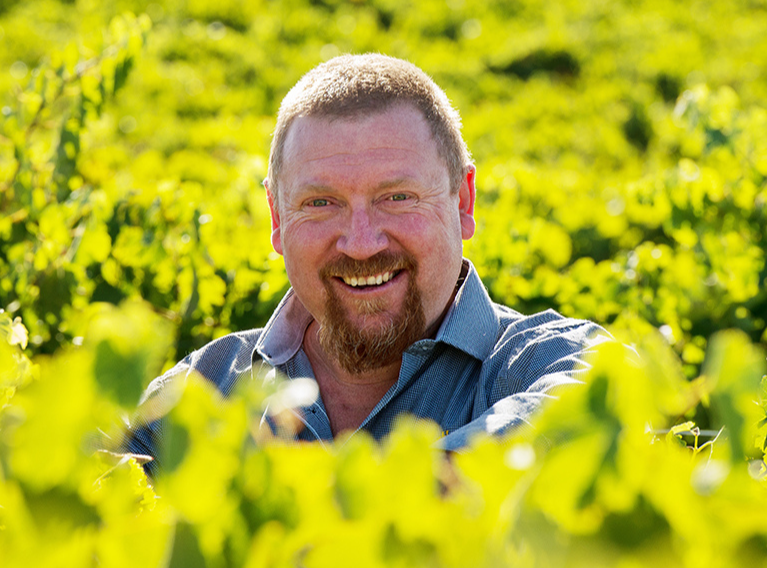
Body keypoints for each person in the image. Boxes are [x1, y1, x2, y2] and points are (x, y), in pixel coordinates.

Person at [123, 53, 606, 474]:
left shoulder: (547, 360)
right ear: (276, 215)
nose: (360, 244)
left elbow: (589, 408)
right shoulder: (203, 389)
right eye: (320, 203)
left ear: (463, 202)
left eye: (397, 197)